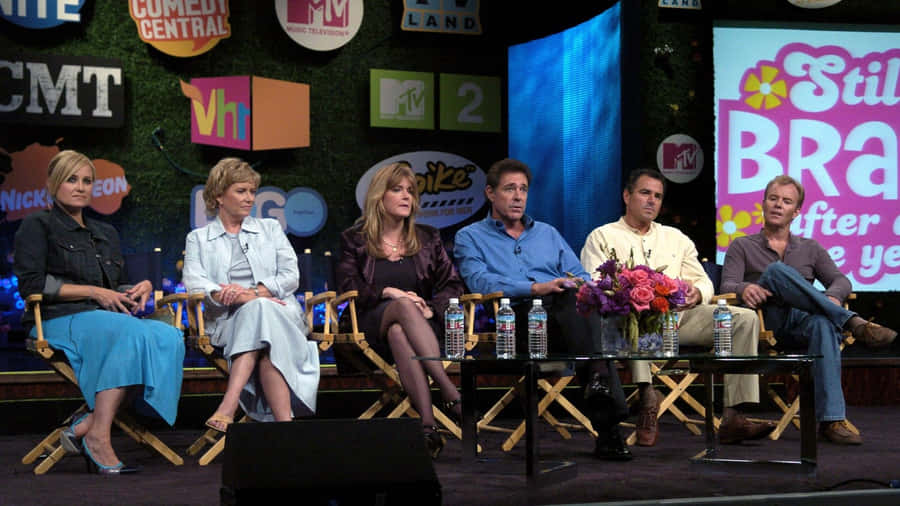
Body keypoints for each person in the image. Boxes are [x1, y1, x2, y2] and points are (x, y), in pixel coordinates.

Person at [14, 150, 185, 474]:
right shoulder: (37, 225)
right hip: (55, 319)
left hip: (103, 320)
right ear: (52, 183)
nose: (80, 187)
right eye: (71, 179)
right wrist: (95, 292)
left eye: (87, 181)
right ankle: (98, 437)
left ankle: (89, 423)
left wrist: (138, 288)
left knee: (168, 334)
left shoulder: (105, 233)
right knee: (126, 332)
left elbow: (114, 287)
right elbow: (33, 285)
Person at [581, 168, 775, 446]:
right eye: (645, 193)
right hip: (627, 325)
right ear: (627, 196)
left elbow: (704, 283)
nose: (652, 201)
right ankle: (647, 397)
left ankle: (734, 415)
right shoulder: (602, 236)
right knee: (637, 313)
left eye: (658, 196)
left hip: (680, 320)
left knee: (744, 319)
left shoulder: (676, 238)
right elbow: (596, 286)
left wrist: (697, 293)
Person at [454, 158, 632, 461]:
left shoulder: (548, 233)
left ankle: (600, 387)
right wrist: (536, 288)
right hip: (517, 323)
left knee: (576, 296)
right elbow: (479, 283)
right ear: (490, 193)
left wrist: (567, 285)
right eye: (509, 189)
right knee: (585, 323)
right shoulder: (470, 237)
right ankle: (608, 423)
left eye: (523, 189)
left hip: (567, 320)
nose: (518, 196)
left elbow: (582, 276)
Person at [721, 175, 896, 445]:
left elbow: (841, 281)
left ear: (797, 211)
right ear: (764, 204)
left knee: (824, 323)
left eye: (786, 201)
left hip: (802, 325)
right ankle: (853, 322)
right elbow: (727, 284)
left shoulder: (810, 248)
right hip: (767, 322)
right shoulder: (742, 245)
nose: (778, 205)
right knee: (776, 272)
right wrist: (744, 288)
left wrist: (833, 296)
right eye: (773, 199)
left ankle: (830, 422)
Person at [336, 162, 464, 459]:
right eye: (397, 190)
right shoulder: (354, 240)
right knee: (401, 309)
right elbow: (346, 285)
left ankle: (428, 428)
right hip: (367, 327)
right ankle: (450, 393)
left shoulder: (429, 237)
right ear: (379, 196)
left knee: (399, 331)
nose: (407, 196)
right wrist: (386, 292)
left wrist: (433, 308)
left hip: (420, 329)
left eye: (410, 191)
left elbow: (453, 285)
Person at [183, 158, 320, 432]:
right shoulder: (198, 238)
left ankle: (228, 406)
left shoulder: (269, 229)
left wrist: (254, 294)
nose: (249, 198)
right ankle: (287, 430)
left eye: (252, 191)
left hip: (280, 313)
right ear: (219, 196)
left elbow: (291, 275)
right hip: (228, 321)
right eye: (241, 191)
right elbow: (195, 283)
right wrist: (233, 296)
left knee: (262, 312)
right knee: (263, 323)